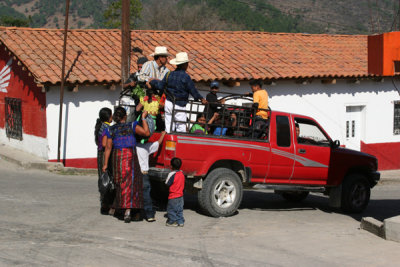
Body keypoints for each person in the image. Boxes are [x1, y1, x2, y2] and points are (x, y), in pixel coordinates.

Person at [102, 107, 150, 223]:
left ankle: (119, 208)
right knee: (131, 183)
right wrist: (143, 118)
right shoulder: (132, 126)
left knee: (120, 183)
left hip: (117, 158)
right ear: (125, 117)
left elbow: (107, 148)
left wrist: (105, 164)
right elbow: (146, 133)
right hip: (130, 157)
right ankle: (128, 210)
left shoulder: (111, 129)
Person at [151, 52, 207, 133]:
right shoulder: (186, 77)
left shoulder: (168, 74)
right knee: (181, 128)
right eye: (187, 63)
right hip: (180, 105)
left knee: (169, 127)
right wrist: (201, 99)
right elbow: (193, 91)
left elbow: (160, 86)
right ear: (184, 64)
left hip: (169, 103)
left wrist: (152, 81)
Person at [136, 131, 167, 222]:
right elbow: (158, 143)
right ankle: (149, 215)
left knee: (135, 194)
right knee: (146, 195)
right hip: (144, 173)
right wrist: (163, 134)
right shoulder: (146, 147)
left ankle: (137, 214)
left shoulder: (132, 148)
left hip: (135, 174)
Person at [94, 107, 114, 215]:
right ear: (109, 116)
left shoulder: (99, 126)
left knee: (102, 179)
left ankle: (104, 203)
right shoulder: (107, 127)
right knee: (107, 180)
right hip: (105, 154)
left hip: (99, 154)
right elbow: (106, 145)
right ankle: (107, 204)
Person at [165, 157, 185, 227]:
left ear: (171, 166)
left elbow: (167, 183)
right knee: (179, 210)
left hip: (173, 196)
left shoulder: (172, 174)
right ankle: (180, 221)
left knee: (171, 209)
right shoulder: (182, 174)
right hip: (180, 196)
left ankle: (172, 221)